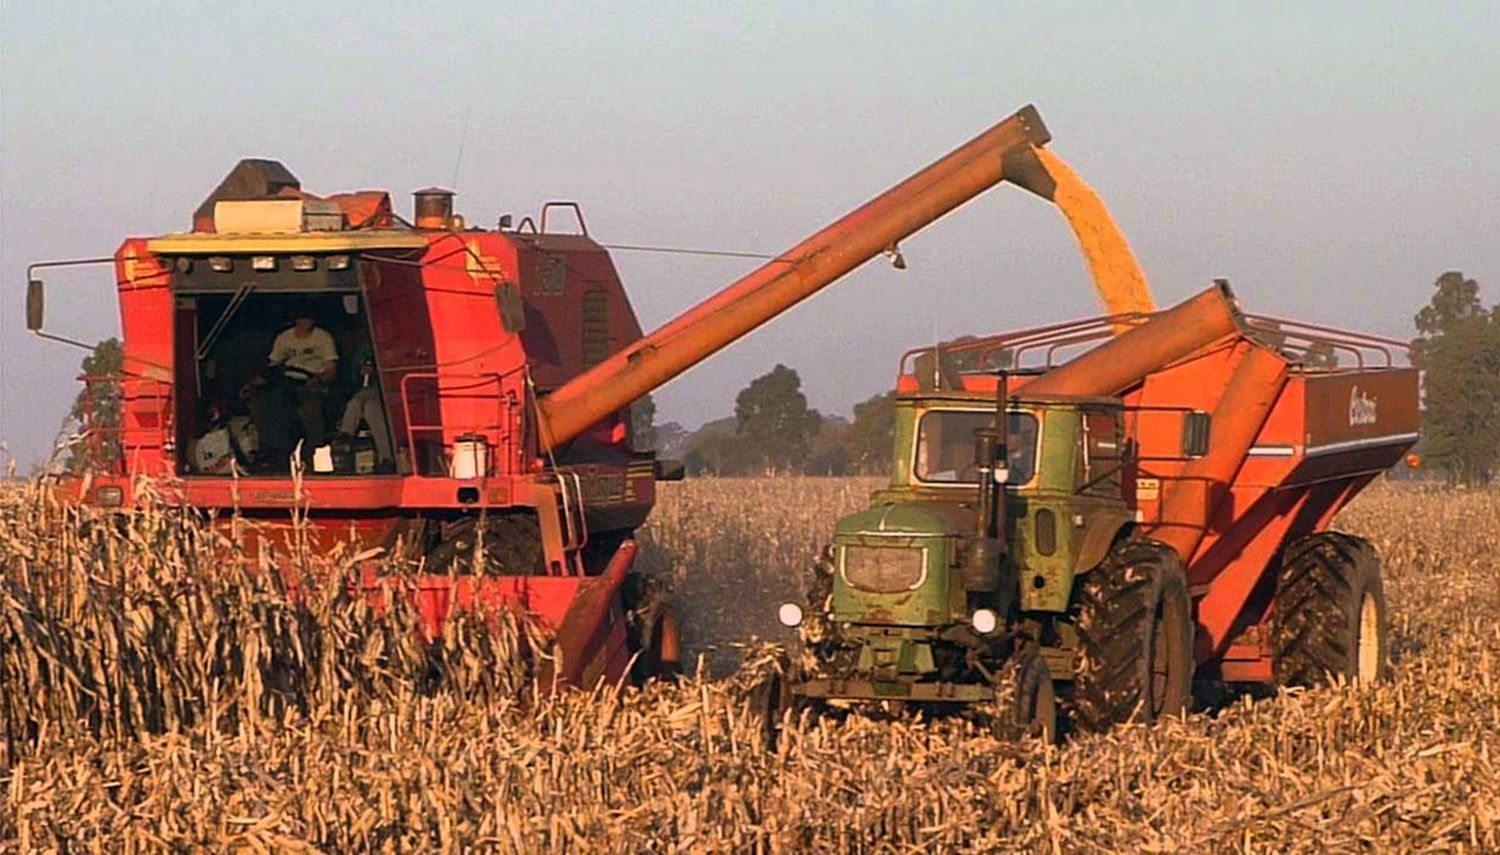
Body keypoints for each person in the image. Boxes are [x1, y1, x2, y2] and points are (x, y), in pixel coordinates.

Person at [252, 306, 338, 466]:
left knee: (311, 409)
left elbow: (330, 369)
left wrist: (318, 380)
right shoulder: (284, 338)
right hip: (286, 383)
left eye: (308, 317)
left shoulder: (323, 338)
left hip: (313, 384)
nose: (305, 321)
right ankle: (273, 452)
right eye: (301, 317)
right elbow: (273, 366)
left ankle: (314, 450)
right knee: (265, 405)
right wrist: (255, 383)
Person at [338, 344, 395, 472]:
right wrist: (362, 371)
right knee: (365, 405)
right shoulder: (366, 347)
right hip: (370, 389)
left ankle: (346, 433)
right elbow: (354, 375)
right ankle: (346, 436)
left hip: (390, 389)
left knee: (368, 406)